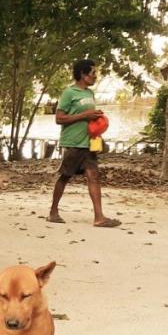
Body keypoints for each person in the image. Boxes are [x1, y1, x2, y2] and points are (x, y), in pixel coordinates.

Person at [47, 59, 121, 228]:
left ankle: (99, 217)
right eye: (93, 73)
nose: (95, 77)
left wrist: (98, 127)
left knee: (93, 176)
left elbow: (90, 119)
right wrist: (84, 115)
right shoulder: (69, 93)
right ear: (82, 74)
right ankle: (53, 212)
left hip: (89, 142)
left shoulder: (89, 94)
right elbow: (59, 118)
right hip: (73, 142)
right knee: (65, 176)